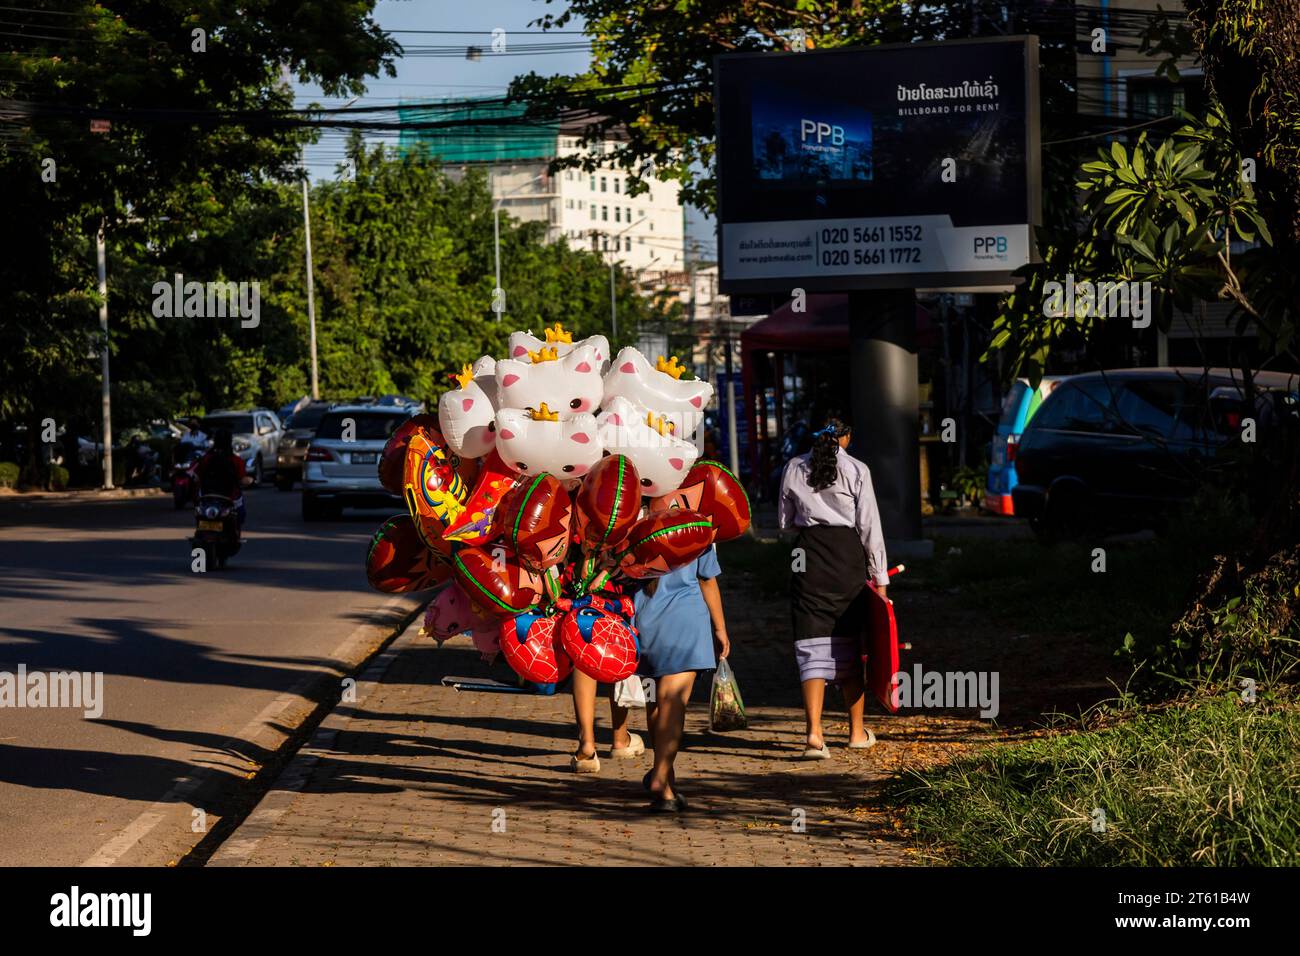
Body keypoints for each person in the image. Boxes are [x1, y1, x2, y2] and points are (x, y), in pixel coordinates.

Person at [778, 417, 888, 759]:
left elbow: (784, 523)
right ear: (847, 437)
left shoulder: (794, 467)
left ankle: (814, 735)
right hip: (848, 559)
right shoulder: (857, 469)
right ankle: (856, 732)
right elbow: (870, 527)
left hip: (808, 556)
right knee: (850, 643)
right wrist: (880, 581)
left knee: (811, 642)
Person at [616, 544, 730, 812]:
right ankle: (660, 776)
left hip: (644, 620)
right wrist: (720, 627)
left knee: (655, 702)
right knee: (673, 702)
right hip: (685, 619)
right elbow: (707, 579)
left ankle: (666, 781)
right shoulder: (695, 527)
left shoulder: (636, 525)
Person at [194, 428, 248, 526]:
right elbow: (243, 480)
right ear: (230, 442)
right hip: (230, 498)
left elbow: (196, 477)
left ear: (215, 441)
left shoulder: (206, 458)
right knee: (240, 514)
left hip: (207, 498)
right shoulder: (236, 460)